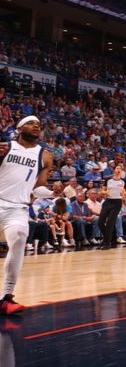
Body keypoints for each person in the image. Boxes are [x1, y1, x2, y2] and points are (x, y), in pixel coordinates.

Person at [0, 115, 57, 314]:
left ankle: (6, 297)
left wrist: (52, 193)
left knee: (19, 238)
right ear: (19, 128)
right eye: (31, 123)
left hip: (17, 208)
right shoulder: (5, 147)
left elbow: (38, 188)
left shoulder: (45, 155)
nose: (36, 126)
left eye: (38, 125)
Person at [99, 166, 126, 249]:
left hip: (117, 202)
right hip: (108, 201)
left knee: (110, 222)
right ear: (114, 170)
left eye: (120, 169)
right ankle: (110, 237)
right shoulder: (108, 180)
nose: (118, 170)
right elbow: (102, 191)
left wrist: (124, 193)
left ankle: (107, 243)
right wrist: (105, 192)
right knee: (100, 222)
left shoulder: (124, 181)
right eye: (117, 168)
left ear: (121, 171)